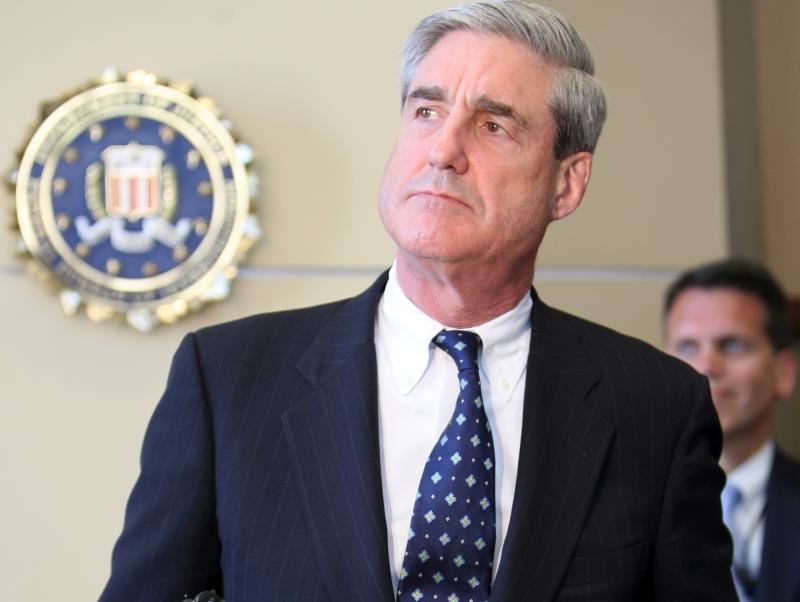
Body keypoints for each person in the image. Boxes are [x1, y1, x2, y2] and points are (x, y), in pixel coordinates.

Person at [100, 2, 736, 600]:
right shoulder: (228, 377)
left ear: (566, 184)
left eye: (493, 126)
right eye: (426, 111)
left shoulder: (657, 407)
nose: (443, 151)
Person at [664, 259, 800, 602]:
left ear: (783, 372)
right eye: (687, 347)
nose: (706, 366)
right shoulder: (623, 509)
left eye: (733, 345)